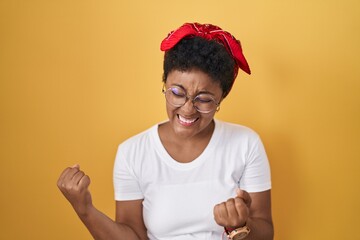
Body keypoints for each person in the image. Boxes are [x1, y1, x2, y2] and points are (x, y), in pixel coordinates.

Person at [57, 22, 274, 240]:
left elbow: (265, 233)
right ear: (164, 84)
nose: (188, 109)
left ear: (221, 99)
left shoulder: (246, 144)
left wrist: (240, 226)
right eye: (177, 93)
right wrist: (85, 209)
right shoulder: (132, 152)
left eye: (204, 99)